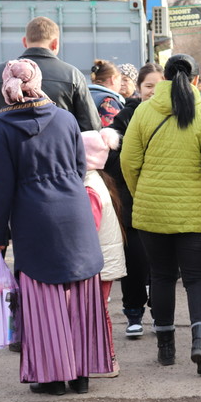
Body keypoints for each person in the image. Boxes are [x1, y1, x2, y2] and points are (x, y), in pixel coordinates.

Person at [0, 59, 109, 396]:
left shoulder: (2, 126)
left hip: (33, 216)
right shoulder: (66, 118)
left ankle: (53, 377)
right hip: (74, 212)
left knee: (44, 297)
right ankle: (82, 375)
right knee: (82, 293)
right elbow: (80, 167)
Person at [120, 54, 201, 375]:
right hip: (196, 213)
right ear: (196, 80)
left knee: (162, 276)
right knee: (198, 279)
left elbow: (128, 162)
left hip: (152, 210)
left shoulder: (143, 111)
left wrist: (141, 190)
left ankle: (166, 347)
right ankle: (200, 342)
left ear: (165, 78)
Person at [105, 63, 162, 338]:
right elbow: (110, 157)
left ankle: (161, 313)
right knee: (135, 261)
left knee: (161, 264)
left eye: (158, 85)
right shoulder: (125, 116)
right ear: (139, 88)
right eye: (148, 86)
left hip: (163, 201)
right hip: (132, 201)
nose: (152, 91)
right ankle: (133, 313)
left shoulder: (174, 116)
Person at [0, 16, 100, 134]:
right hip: (57, 156)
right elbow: (92, 126)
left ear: (25, 42)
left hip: (10, 156)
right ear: (55, 43)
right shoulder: (73, 75)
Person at [82, 128, 127, 377]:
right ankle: (103, 359)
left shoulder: (89, 188)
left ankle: (107, 360)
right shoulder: (99, 180)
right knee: (98, 310)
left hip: (96, 261)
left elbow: (89, 228)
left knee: (97, 312)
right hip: (102, 259)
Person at [89, 59, 126, 128]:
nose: (121, 84)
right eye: (120, 80)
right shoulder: (109, 101)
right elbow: (111, 133)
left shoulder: (83, 95)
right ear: (112, 79)